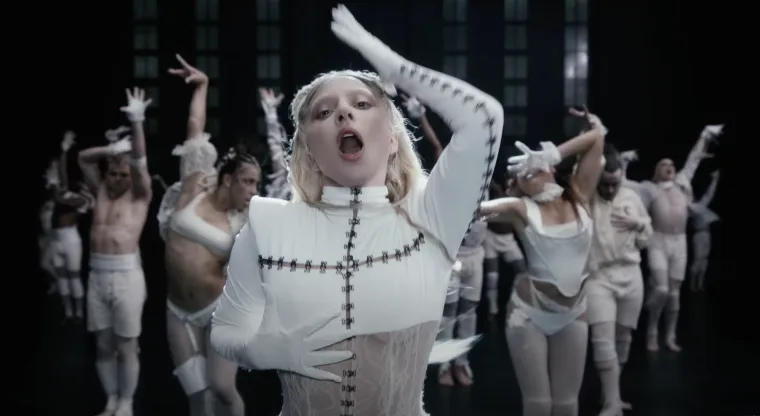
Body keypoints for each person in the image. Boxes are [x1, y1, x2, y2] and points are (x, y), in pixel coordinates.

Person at [210, 5, 503, 415]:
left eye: (363, 104)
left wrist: (398, 70)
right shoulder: (266, 225)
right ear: (309, 153)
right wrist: (260, 349)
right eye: (324, 112)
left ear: (393, 139)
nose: (344, 112)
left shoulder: (432, 215)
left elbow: (484, 118)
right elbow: (225, 331)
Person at [480, 106, 606, 416]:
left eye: (535, 165)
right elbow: (474, 209)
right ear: (518, 185)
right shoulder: (520, 208)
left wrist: (553, 153)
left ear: (551, 168)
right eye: (522, 173)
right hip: (529, 314)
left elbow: (597, 138)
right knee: (539, 404)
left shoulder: (579, 194)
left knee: (566, 404)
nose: (529, 172)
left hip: (573, 312)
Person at [158, 55, 263, 416]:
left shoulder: (244, 222)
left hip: (217, 311)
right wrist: (202, 86)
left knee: (222, 389)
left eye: (257, 184)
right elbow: (194, 127)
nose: (253, 190)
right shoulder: (195, 184)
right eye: (248, 182)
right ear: (228, 179)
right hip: (178, 310)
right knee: (197, 394)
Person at [77, 88, 153, 416]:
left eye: (123, 175)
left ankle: (127, 402)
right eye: (113, 173)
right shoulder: (101, 191)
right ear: (106, 172)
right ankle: (111, 399)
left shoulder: (139, 195)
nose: (118, 179)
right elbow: (83, 158)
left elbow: (139, 162)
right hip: (97, 274)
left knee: (126, 345)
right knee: (104, 344)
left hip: (126, 276)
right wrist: (112, 150)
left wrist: (137, 122)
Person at [623, 124, 721, 352]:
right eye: (664, 164)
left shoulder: (682, 182)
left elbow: (694, 159)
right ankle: (651, 331)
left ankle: (670, 335)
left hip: (680, 243)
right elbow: (623, 183)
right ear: (656, 170)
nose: (669, 167)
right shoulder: (649, 188)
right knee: (662, 290)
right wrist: (624, 161)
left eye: (672, 164)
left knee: (674, 294)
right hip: (658, 241)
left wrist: (705, 135)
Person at [587, 144, 652, 415]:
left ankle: (611, 395)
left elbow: (646, 238)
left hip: (631, 274)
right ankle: (613, 403)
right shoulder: (587, 195)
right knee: (602, 338)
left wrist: (639, 224)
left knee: (623, 337)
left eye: (615, 183)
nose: (611, 189)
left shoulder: (631, 197)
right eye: (606, 184)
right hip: (598, 276)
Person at [51, 130, 94, 321]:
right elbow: (63, 178)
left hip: (70, 239)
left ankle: (79, 311)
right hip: (56, 239)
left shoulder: (85, 200)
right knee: (62, 277)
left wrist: (54, 183)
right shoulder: (71, 194)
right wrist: (63, 151)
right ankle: (69, 310)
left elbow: (60, 197)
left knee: (74, 277)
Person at [483, 178, 527, 321]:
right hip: (491, 238)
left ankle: (518, 302)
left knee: (523, 272)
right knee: (492, 277)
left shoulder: (520, 200)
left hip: (508, 239)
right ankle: (492, 311)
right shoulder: (496, 193)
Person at [688, 169, 719, 291]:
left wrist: (715, 179)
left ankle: (700, 284)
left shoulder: (700, 205)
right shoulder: (689, 209)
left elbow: (709, 193)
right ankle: (692, 284)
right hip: (699, 235)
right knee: (698, 258)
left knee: (704, 259)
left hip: (707, 234)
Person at [40, 158, 60, 295]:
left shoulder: (56, 183)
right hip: (44, 232)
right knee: (46, 263)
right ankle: (54, 284)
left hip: (53, 233)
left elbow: (56, 196)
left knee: (45, 263)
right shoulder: (48, 181)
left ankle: (59, 282)